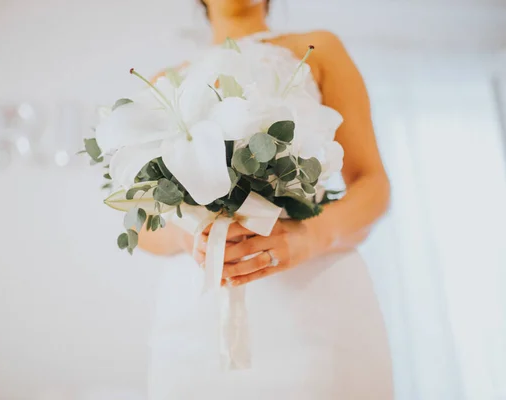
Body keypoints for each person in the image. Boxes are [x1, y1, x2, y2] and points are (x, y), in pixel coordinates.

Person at [139, 1, 393, 398]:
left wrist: (309, 236)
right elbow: (143, 224)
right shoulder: (163, 83)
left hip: (311, 301)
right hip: (198, 309)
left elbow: (372, 183)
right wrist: (188, 239)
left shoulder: (316, 50)